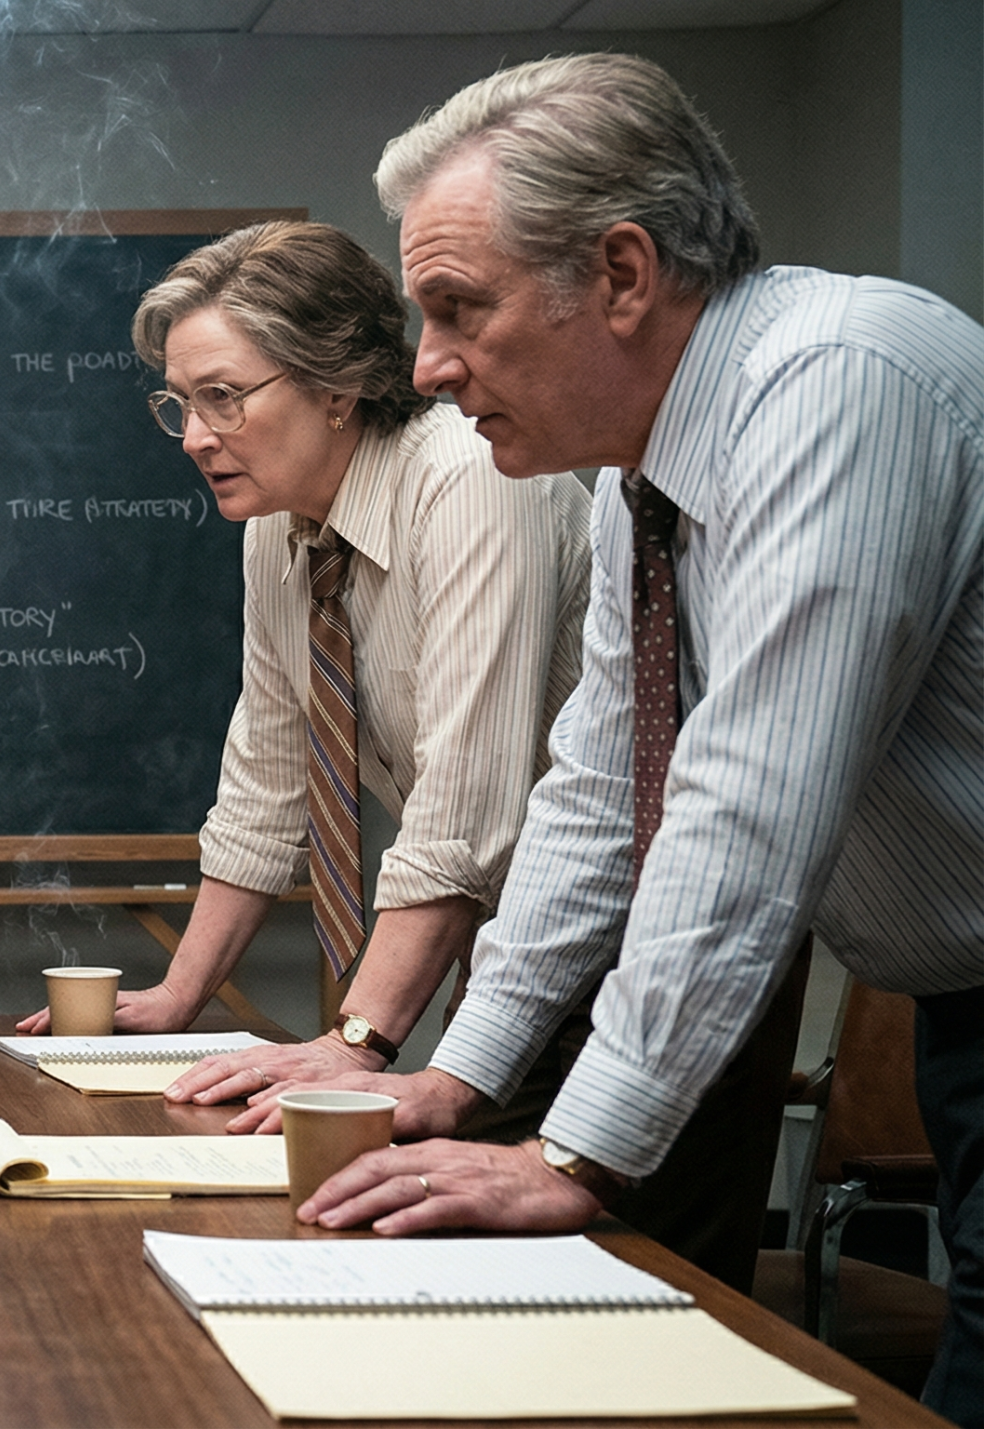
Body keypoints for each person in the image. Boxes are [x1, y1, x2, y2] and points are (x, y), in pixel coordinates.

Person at [276, 54, 984, 1420]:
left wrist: (575, 1156)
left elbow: (748, 801)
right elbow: (601, 789)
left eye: (457, 309)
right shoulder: (639, 473)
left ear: (620, 272)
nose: (425, 365)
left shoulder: (837, 382)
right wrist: (459, 1077)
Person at [17, 220, 593, 1145]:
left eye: (224, 397)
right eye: (180, 404)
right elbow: (268, 779)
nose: (196, 437)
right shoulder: (278, 530)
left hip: (631, 946)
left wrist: (356, 1042)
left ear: (336, 386)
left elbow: (465, 811)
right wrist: (175, 997)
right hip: (508, 945)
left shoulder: (469, 480)